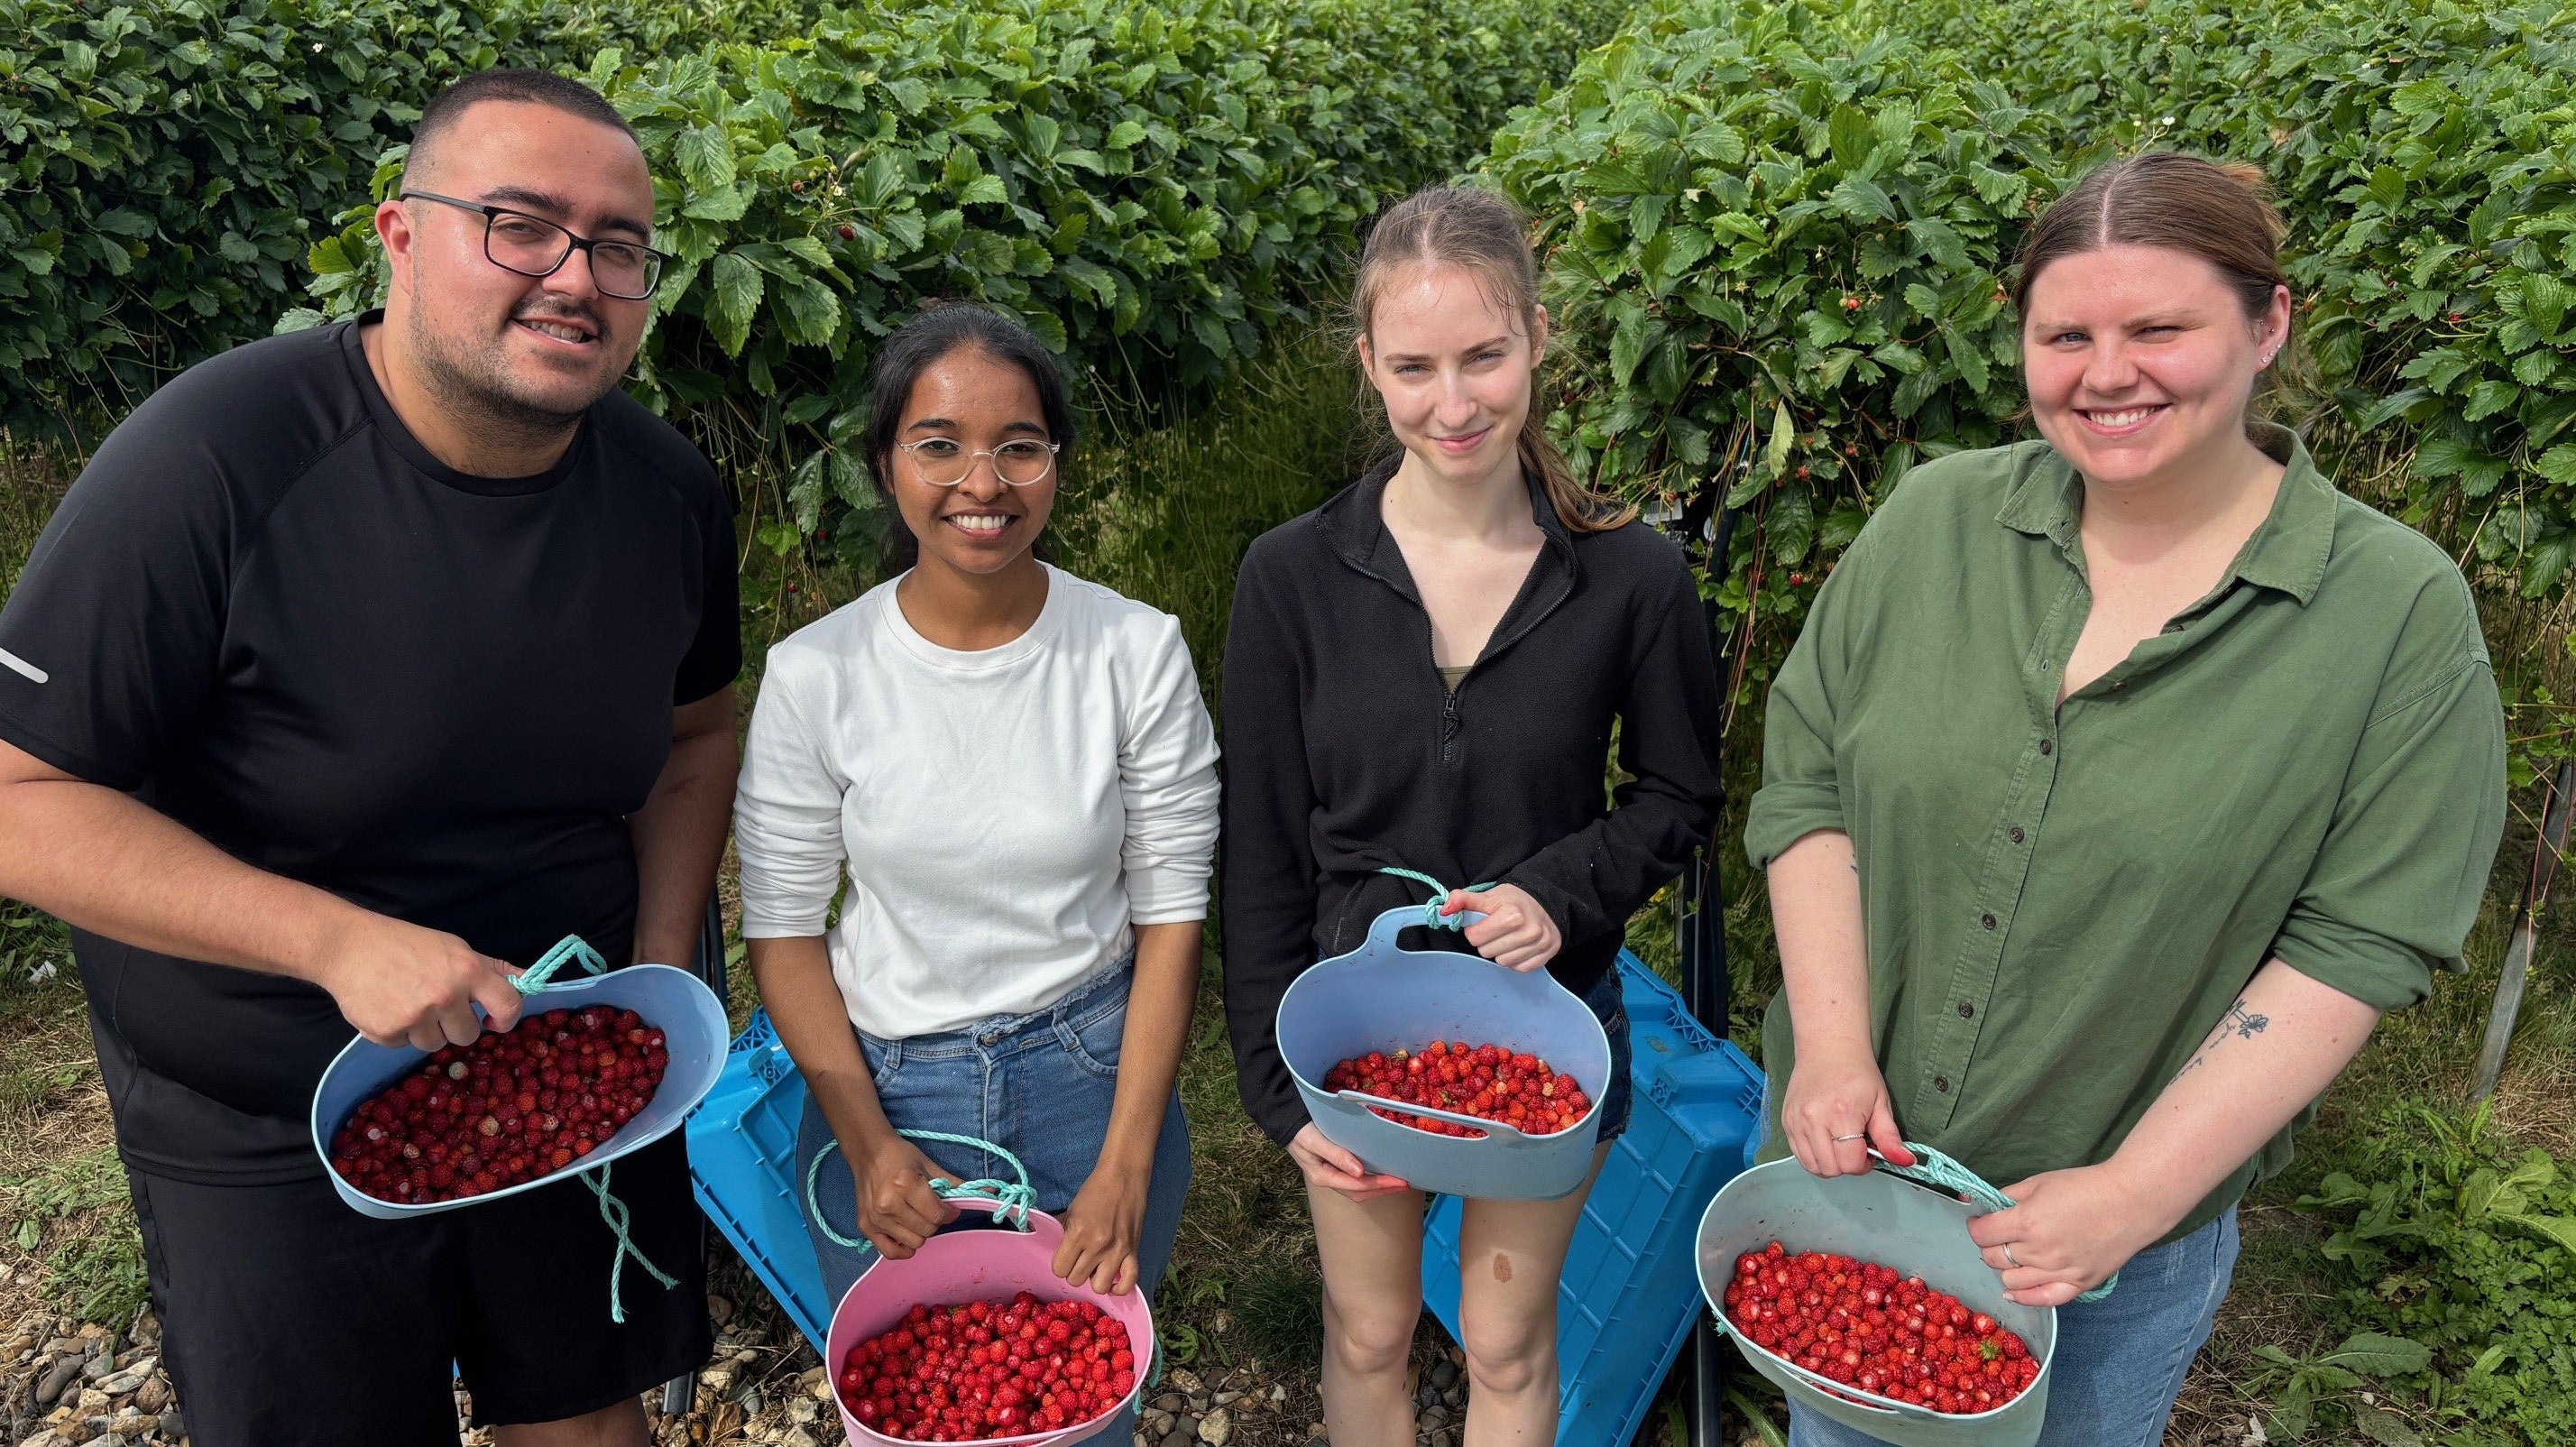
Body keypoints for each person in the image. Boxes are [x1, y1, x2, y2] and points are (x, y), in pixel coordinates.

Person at [0, 69, 739, 1447]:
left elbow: (697, 735)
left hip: (561, 1058)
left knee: (585, 1417)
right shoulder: (211, 463)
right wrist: (339, 943)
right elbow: (17, 794)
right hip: (277, 1105)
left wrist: (644, 977)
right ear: (399, 235)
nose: (576, 275)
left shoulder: (668, 494)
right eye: (519, 224)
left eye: (621, 246)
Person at [1749, 152, 2507, 1445]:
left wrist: (2132, 1195)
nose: (2109, 373)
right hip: (1849, 1187)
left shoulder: (2395, 614)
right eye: (2067, 335)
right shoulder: (1934, 523)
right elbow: (1809, 777)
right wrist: (1830, 1049)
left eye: (2160, 328)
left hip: (2107, 1255)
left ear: (2268, 325)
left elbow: (2359, 941)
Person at [1219, 186, 1725, 1447]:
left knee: (1503, 1339)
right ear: (1369, 369)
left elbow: (1677, 797)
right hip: (1356, 1028)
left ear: (1540, 340)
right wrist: (1279, 1096)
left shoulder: (1631, 578)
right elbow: (1264, 846)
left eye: (1485, 357)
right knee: (1370, 1331)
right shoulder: (1292, 578)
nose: (1455, 404)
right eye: (1416, 368)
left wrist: (1560, 896)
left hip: (1546, 1030)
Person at [732, 306, 1213, 1393]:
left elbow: (1172, 913)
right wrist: (864, 1142)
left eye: (1020, 446)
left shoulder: (1133, 651)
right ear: (885, 465)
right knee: (917, 1398)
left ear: (1057, 464)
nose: (982, 483)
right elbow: (785, 928)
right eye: (939, 443)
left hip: (1091, 1074)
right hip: (888, 1085)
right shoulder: (820, 672)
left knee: (1073, 1397)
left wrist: (1127, 1157)